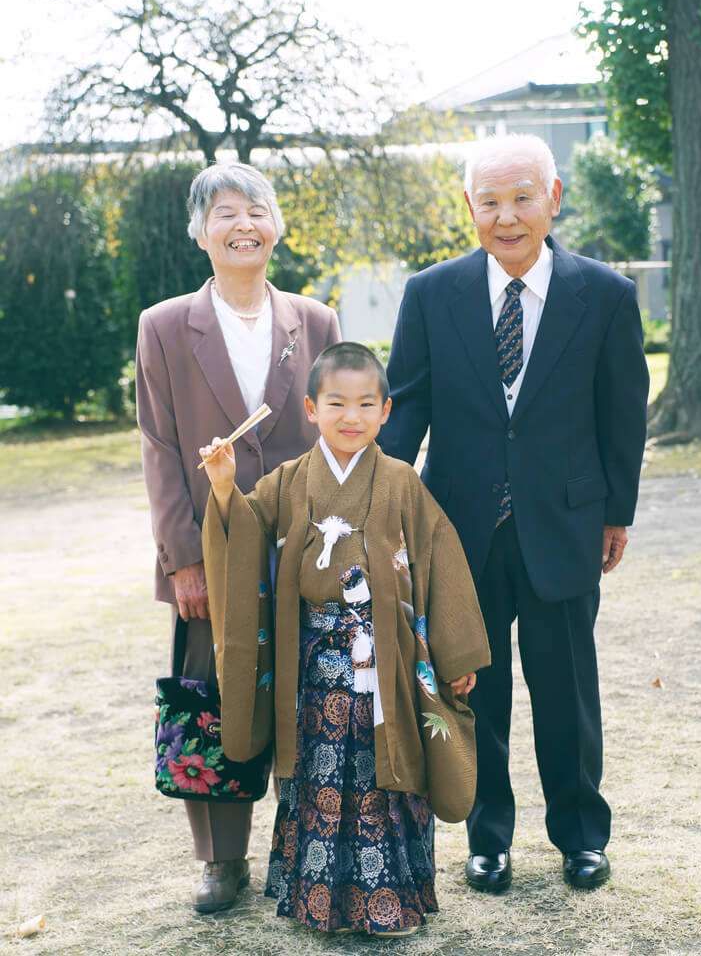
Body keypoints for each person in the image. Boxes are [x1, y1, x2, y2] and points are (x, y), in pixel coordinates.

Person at [378, 133, 649, 892]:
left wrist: (615, 514)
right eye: (489, 201)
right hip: (457, 531)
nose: (507, 216)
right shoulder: (431, 294)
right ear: (469, 208)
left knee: (567, 690)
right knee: (476, 690)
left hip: (564, 524)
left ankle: (581, 835)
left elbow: (622, 415)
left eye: (522, 197)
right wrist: (376, 501)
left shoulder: (605, 295)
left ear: (553, 199)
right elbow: (408, 411)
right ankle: (487, 835)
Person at [199, 342, 491, 937]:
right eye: (336, 402)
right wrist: (226, 488)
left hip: (386, 662)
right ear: (310, 408)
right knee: (321, 772)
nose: (350, 416)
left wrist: (456, 655)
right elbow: (245, 537)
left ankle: (392, 901)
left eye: (365, 403)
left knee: (388, 770)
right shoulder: (289, 482)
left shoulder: (402, 481)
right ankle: (319, 901)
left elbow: (439, 556)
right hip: (313, 667)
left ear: (386, 411)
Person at [135, 161, 340, 913]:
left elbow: (335, 434)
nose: (243, 223)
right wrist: (182, 557)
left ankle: (306, 850)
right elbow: (158, 446)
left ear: (277, 224)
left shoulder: (314, 321)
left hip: (304, 546)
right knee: (214, 699)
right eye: (224, 212)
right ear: (200, 232)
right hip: (210, 553)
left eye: (256, 209)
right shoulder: (163, 326)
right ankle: (222, 862)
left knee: (307, 697)